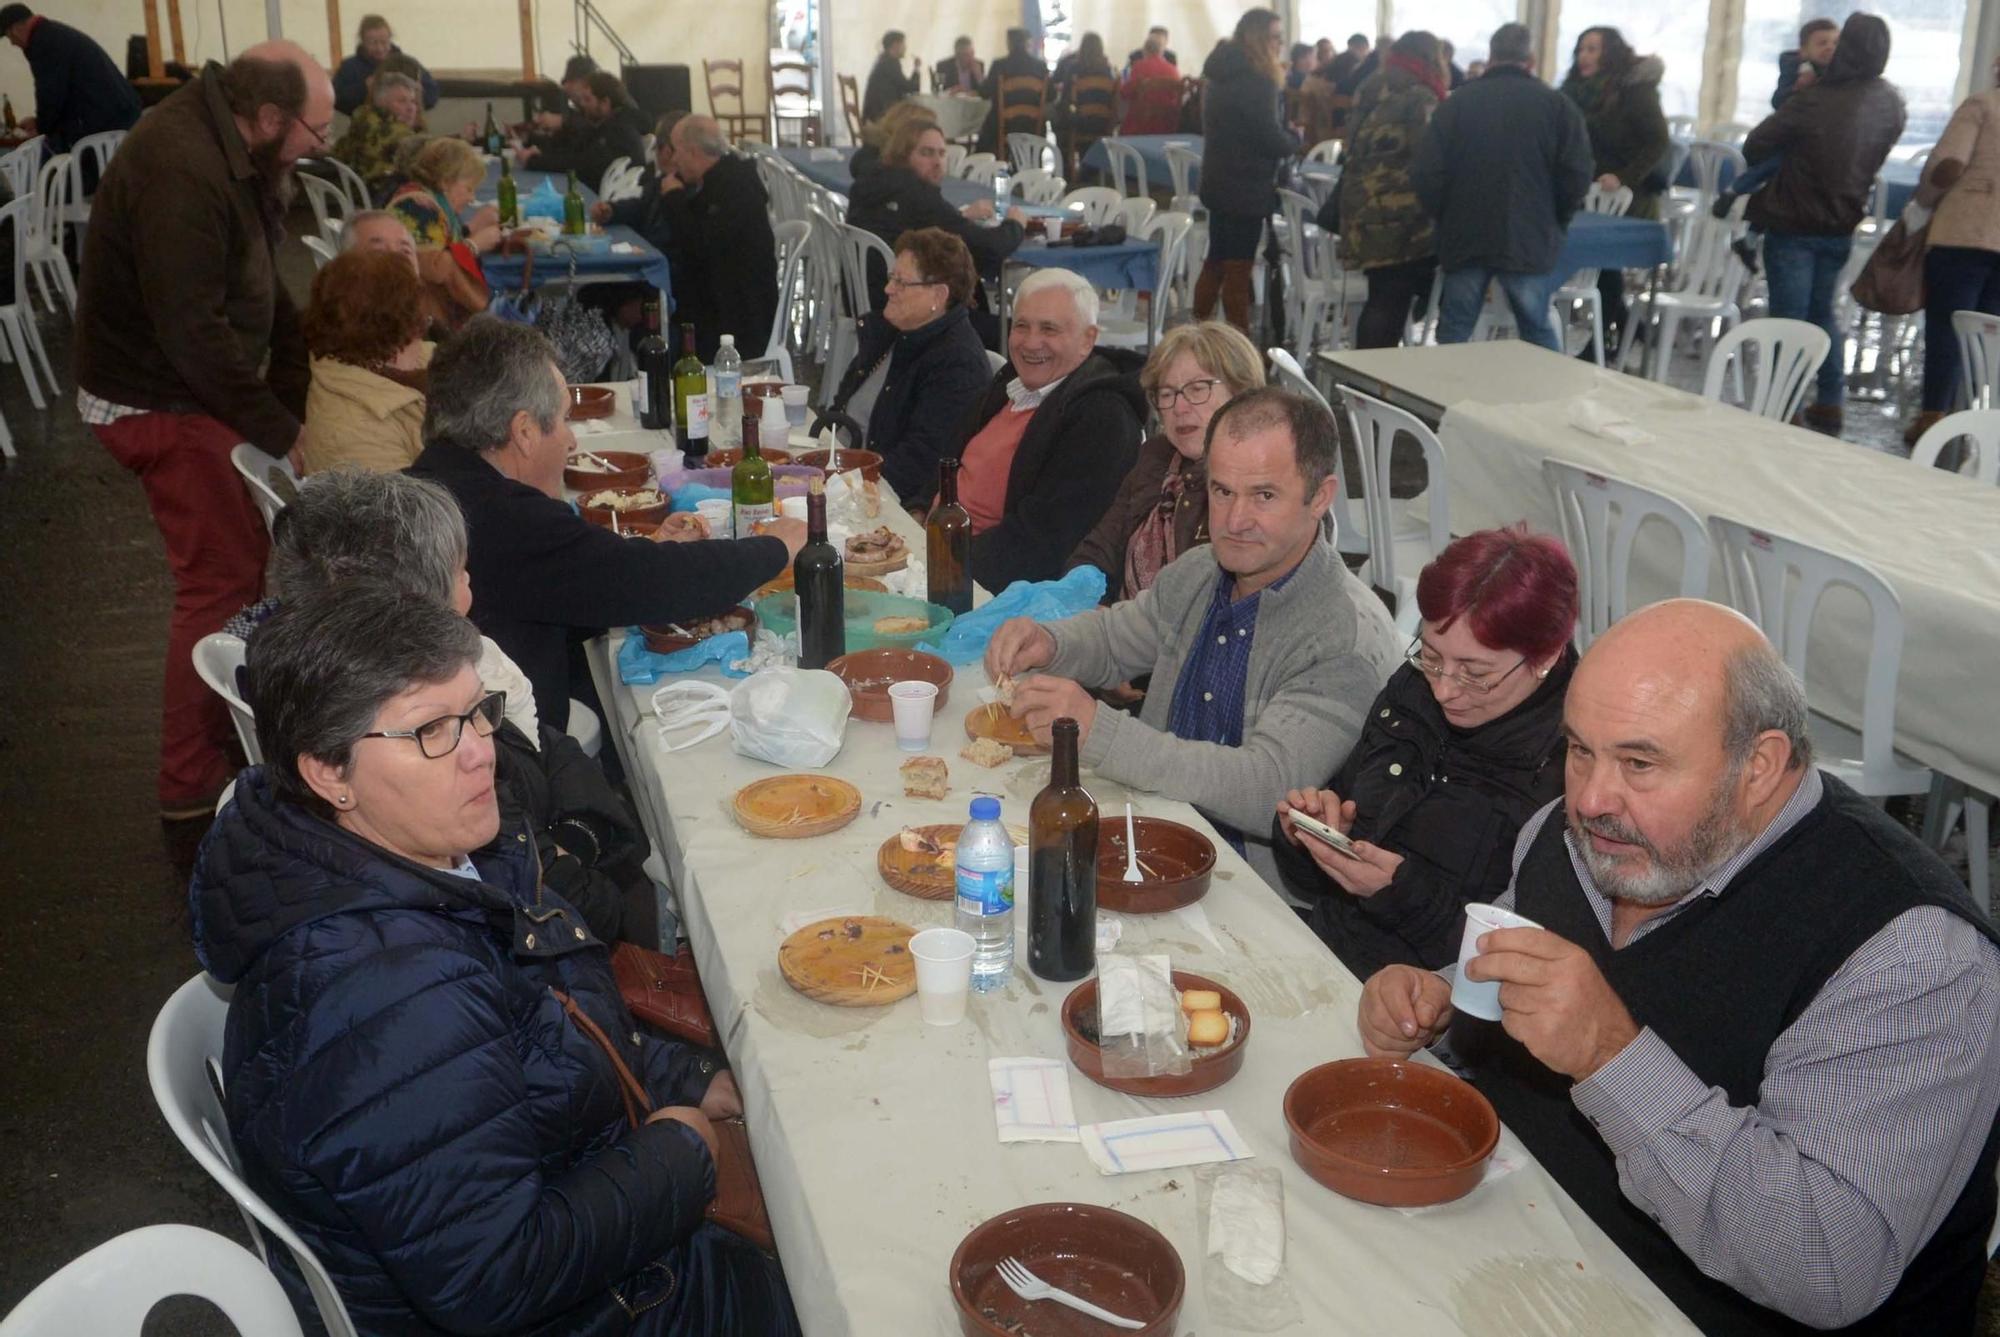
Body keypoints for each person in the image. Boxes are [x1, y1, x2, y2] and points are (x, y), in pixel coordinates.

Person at [1356, 599, 2000, 1334]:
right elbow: (1504, 984)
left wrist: (1610, 1054)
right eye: (1578, 750)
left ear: (1758, 766)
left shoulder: (1911, 952)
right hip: (1521, 1246)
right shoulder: (1575, 836)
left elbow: (1825, 1264)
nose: (1591, 798)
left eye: (1640, 761)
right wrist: (1437, 1000)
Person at [195, 588, 800, 1335]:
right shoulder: (387, 993)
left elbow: (549, 1028)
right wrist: (682, 1151)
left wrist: (684, 1078)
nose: (482, 748)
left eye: (479, 710)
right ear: (328, 771)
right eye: (432, 732)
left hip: (590, 1210)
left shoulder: (423, 856)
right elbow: (496, 1278)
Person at [987, 387, 1402, 889]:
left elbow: (1265, 786)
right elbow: (1117, 638)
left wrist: (1101, 730)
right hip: (1149, 838)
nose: (1233, 521)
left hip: (1252, 892)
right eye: (1222, 491)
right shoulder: (1203, 571)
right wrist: (1050, 642)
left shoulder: (1344, 638)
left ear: (1320, 497)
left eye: (1263, 495)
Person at [73, 42, 332, 820]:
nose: (321, 147)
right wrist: (282, 429)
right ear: (268, 117)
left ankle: (222, 732)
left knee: (237, 566)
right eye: (315, 133)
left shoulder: (230, 141)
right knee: (218, 578)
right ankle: (188, 779)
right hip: (157, 400)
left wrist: (292, 364)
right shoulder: (181, 168)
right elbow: (191, 333)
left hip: (183, 388)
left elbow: (252, 282)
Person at [247, 467, 658, 944]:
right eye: (460, 569)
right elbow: (573, 906)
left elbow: (541, 748)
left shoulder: (448, 692)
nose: (481, 750)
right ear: (412, 605)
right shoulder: (425, 773)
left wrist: (576, 835)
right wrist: (574, 850)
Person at [406, 318, 802, 730]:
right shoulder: (502, 517)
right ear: (523, 432)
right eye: (563, 420)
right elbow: (644, 582)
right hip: (507, 758)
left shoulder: (435, 483)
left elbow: (577, 583)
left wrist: (643, 546)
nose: (572, 441)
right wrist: (774, 546)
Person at [1273, 528, 1578, 979]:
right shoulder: (1413, 690)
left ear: (1545, 657)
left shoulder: (1572, 772)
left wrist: (1400, 896)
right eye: (1431, 657)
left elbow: (1524, 977)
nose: (1444, 689)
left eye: (1475, 673)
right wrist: (1309, 836)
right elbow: (1312, 881)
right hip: (1326, 955)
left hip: (1432, 1017)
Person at [1741, 13, 1903, 435]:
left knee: (1789, 319)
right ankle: (1830, 399)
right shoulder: (1890, 102)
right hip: (1842, 221)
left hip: (1794, 220)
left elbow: (1755, 145)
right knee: (1821, 314)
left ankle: (1786, 403)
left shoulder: (1816, 98)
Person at [949, 268, 1144, 584]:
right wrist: (917, 512)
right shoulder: (1012, 386)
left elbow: (1041, 545)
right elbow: (949, 461)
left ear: (1087, 339)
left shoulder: (1103, 419)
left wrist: (941, 560)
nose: (1031, 342)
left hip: (986, 583)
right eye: (1021, 326)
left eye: (1049, 329)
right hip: (939, 546)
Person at [1413, 22, 1592, 352]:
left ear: (1490, 56)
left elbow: (1426, 172)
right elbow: (1577, 175)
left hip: (1464, 233)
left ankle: (1445, 399)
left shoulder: (1456, 104)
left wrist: (1444, 215)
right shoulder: (1557, 107)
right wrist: (1555, 219)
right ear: (1532, 60)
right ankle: (1548, 398)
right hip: (1528, 233)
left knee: (1454, 331)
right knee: (1535, 327)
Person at [1066, 321, 1265, 601]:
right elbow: (1098, 549)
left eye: (1197, 389)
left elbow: (1213, 605)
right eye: (1168, 394)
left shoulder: (1258, 484)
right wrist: (1077, 598)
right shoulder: (1156, 457)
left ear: (1241, 394)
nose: (1179, 408)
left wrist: (1116, 626)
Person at [821, 228, 991, 506]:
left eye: (901, 282)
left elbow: (919, 463)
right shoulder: (891, 332)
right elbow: (841, 407)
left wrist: (840, 489)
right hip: (844, 473)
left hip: (880, 500)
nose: (888, 289)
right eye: (891, 278)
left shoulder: (957, 364)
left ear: (938, 295)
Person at [1332, 30, 1447, 350]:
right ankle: (1372, 383)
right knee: (1391, 301)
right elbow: (1429, 157)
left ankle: (1365, 378)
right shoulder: (1421, 95)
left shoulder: (1370, 85)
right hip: (1399, 214)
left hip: (1360, 205)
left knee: (1380, 296)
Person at [1560, 28, 1669, 356]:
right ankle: (1628, 328)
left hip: (1626, 195)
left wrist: (1624, 177)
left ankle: (1604, 341)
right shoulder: (1571, 91)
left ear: (1610, 54)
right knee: (1600, 268)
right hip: (1586, 191)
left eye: (1593, 49)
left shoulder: (1635, 91)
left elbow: (1657, 140)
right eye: (1581, 49)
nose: (1584, 56)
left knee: (1604, 265)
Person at [1908, 58, 2000, 445]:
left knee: (1947, 327)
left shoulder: (1982, 105)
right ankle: (1978, 423)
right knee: (1988, 334)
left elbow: (1947, 164)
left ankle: (1934, 418)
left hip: (1964, 231)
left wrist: (1922, 202)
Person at [848, 118, 1026, 315]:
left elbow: (931, 222)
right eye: (926, 153)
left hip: (863, 300)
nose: (937, 162)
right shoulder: (916, 194)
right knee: (1008, 328)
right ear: (903, 155)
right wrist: (1015, 224)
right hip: (908, 313)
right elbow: (988, 247)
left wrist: (959, 215)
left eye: (942, 154)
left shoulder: (871, 182)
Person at [1195, 9, 1298, 335]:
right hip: (1245, 186)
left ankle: (1197, 331)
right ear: (1258, 39)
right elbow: (1268, 136)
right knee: (1238, 269)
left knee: (1216, 262)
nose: (1280, 44)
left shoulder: (1222, 72)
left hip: (1220, 180)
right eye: (1275, 37)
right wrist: (1294, 139)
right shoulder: (1257, 80)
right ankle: (1239, 346)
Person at [655, 115, 779, 363]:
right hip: (721, 296)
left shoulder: (735, 187)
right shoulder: (720, 178)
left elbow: (700, 247)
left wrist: (674, 201)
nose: (674, 160)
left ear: (693, 152)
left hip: (739, 313)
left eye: (677, 151)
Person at [300, 251, 432, 475]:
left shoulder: (354, 363)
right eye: (419, 326)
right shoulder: (356, 437)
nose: (422, 341)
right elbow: (410, 508)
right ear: (390, 341)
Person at [0, 5, 140, 154]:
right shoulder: (54, 33)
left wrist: (42, 127)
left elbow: (50, 93)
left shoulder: (43, 42)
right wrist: (39, 122)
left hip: (105, 122)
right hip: (120, 113)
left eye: (9, 37)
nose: (13, 43)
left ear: (15, 29)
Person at [517, 70, 648, 193]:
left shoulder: (619, 131)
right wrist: (540, 152)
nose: (582, 104)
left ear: (605, 103)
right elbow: (573, 150)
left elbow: (582, 165)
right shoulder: (603, 126)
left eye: (588, 99)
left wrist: (534, 161)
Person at [330, 70, 420, 198]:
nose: (411, 108)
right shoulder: (399, 134)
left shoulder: (362, 120)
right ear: (381, 103)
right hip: (386, 204)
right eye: (402, 101)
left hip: (355, 199)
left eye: (413, 101)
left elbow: (337, 152)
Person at [331, 13, 438, 116]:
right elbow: (336, 99)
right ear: (363, 42)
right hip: (366, 128)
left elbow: (433, 94)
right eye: (373, 43)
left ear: (390, 39)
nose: (379, 48)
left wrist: (415, 94)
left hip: (408, 128)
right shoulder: (350, 67)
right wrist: (364, 89)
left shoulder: (408, 64)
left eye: (384, 42)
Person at [1117, 33, 1182, 136]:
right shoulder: (1173, 70)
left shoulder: (1139, 67)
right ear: (1162, 51)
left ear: (1144, 50)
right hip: (1167, 127)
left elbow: (1125, 93)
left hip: (1139, 127)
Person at [1773, 17, 1838, 108]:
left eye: (1836, 43)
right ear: (1804, 51)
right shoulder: (1793, 68)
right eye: (1822, 43)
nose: (1830, 47)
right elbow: (1777, 102)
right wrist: (1798, 87)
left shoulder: (1842, 70)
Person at [864, 29, 921, 122]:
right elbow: (911, 88)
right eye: (903, 44)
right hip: (881, 118)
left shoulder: (884, 60)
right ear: (896, 45)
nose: (905, 48)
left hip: (875, 115)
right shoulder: (890, 63)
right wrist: (917, 68)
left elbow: (905, 86)